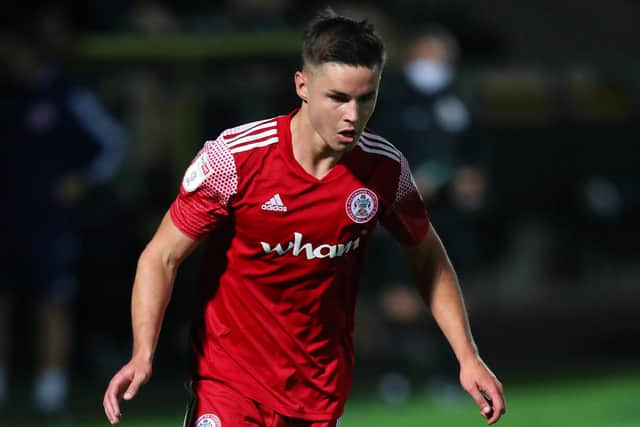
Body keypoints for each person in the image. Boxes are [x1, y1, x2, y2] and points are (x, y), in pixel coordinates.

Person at [103, 9, 506, 427]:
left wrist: (468, 357)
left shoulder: (385, 169)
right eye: (337, 98)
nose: (352, 115)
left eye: (365, 98)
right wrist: (142, 353)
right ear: (303, 85)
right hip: (228, 384)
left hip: (318, 392)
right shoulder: (235, 160)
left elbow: (428, 257)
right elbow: (161, 256)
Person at [0, 8, 125, 414]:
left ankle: (49, 393)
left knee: (52, 301)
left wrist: (84, 179)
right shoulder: (7, 95)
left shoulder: (66, 95)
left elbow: (113, 142)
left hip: (49, 220)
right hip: (7, 217)